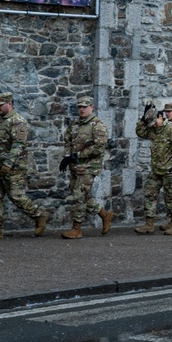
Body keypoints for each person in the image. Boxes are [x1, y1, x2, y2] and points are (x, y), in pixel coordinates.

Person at [0, 93, 49, 239]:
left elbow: (18, 144)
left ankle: (39, 215)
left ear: (9, 103)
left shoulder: (18, 121)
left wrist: (9, 163)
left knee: (16, 196)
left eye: (0, 105)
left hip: (13, 168)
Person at [59, 96, 113, 239]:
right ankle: (105, 215)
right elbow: (68, 141)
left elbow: (99, 148)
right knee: (83, 195)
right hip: (75, 166)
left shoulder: (97, 126)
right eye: (79, 107)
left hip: (89, 167)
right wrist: (66, 157)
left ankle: (77, 229)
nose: (81, 109)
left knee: (79, 194)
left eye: (84, 106)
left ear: (92, 107)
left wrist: (77, 155)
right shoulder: (75, 124)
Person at [134, 102, 172, 235]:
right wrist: (143, 118)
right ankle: (149, 224)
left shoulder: (171, 129)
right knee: (149, 195)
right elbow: (140, 132)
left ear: (160, 116)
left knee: (171, 198)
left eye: (154, 122)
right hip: (156, 170)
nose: (152, 125)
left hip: (169, 171)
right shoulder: (152, 128)